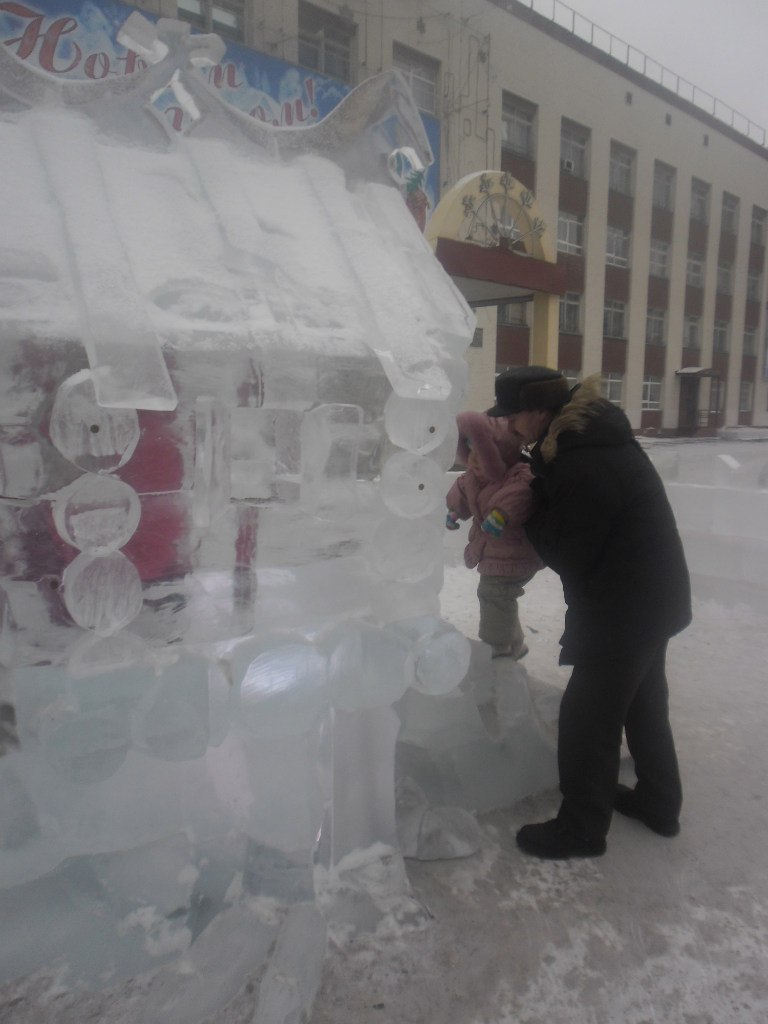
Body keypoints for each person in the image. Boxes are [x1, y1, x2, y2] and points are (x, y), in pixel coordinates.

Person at [486, 366, 691, 859]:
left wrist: (530, 512)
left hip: (623, 609)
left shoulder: (584, 461)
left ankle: (580, 829)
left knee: (587, 722)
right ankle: (659, 803)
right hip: (651, 598)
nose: (511, 428)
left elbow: (569, 550)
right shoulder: (591, 441)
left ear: (538, 411)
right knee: (643, 705)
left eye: (514, 418)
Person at [446, 410, 543, 660]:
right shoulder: (473, 477)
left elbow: (520, 495)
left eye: (481, 453)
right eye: (469, 451)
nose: (474, 459)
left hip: (514, 553)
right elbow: (463, 491)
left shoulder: (518, 474)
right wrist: (455, 511)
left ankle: (496, 648)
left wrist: (501, 514)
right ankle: (515, 642)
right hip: (494, 550)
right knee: (501, 599)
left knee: (493, 594)